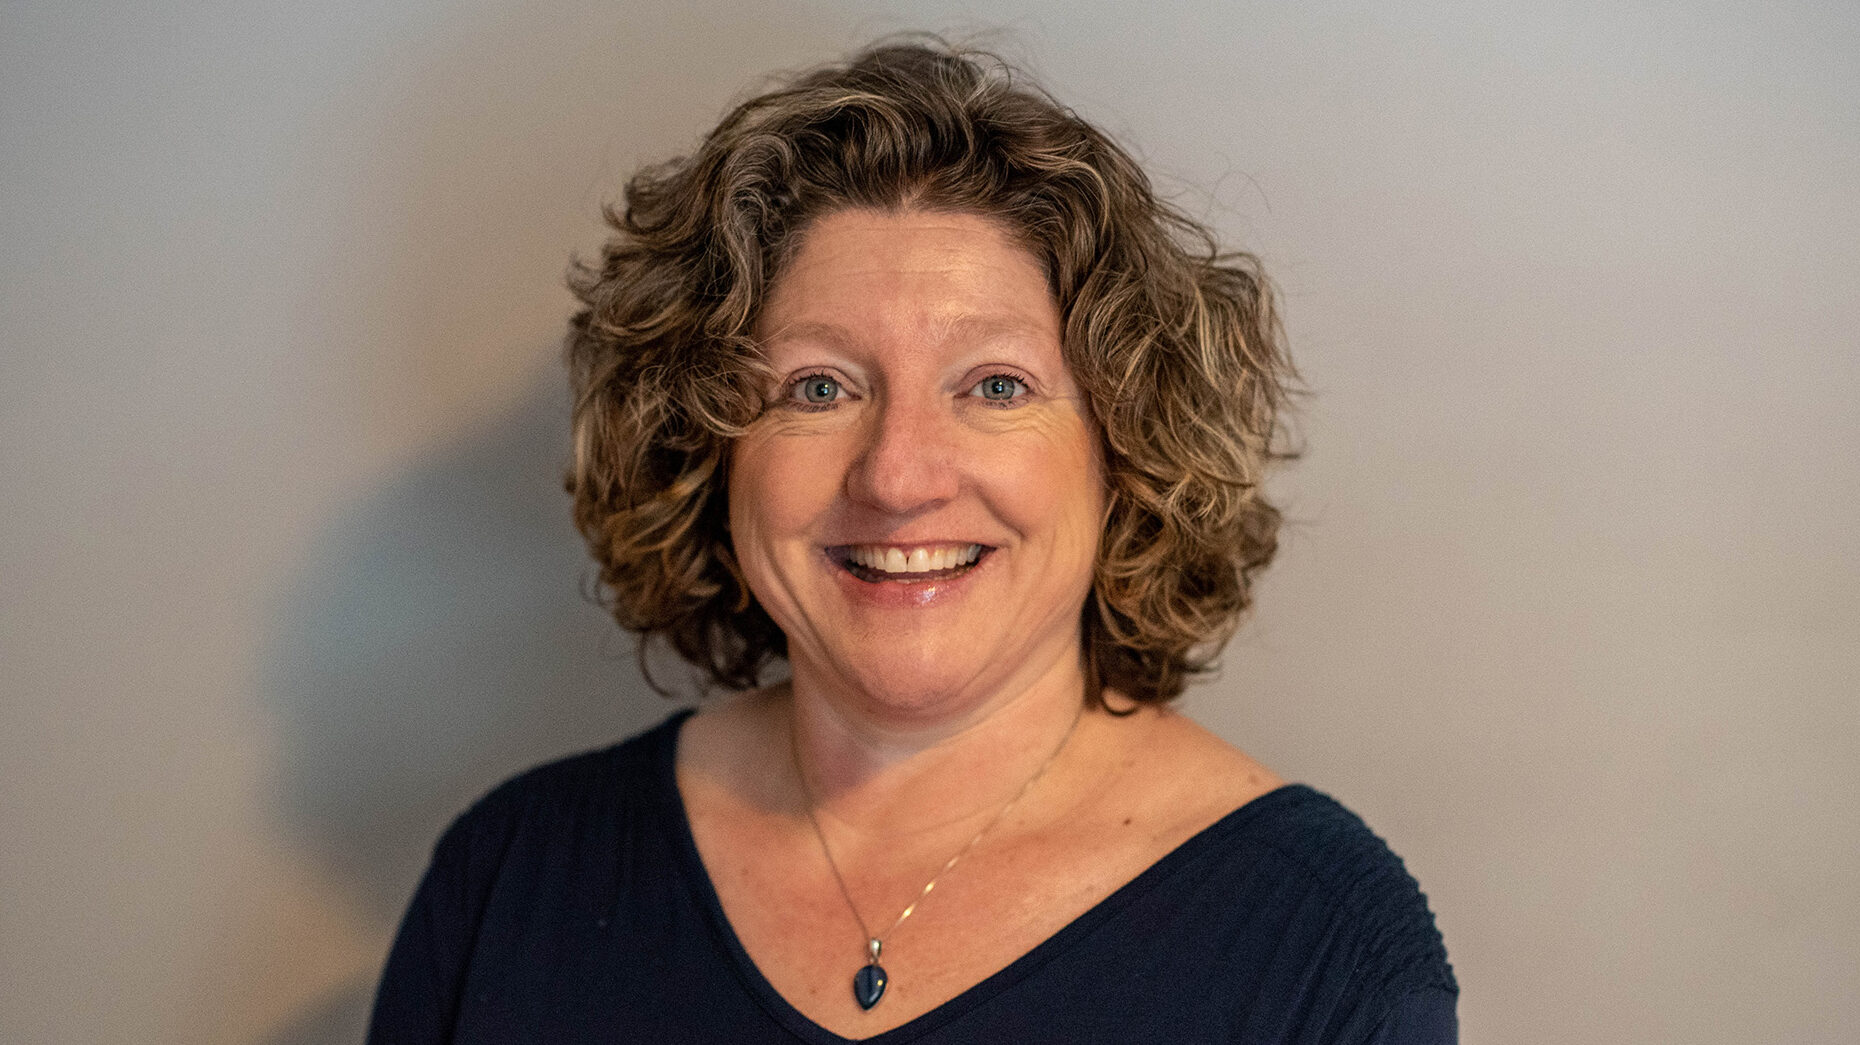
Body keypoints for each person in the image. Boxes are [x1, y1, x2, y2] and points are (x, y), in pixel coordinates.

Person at [367, 40, 1455, 1044]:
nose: (897, 474)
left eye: (994, 385)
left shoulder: (1326, 954)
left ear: (1125, 449)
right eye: (820, 385)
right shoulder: (511, 881)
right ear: (710, 449)